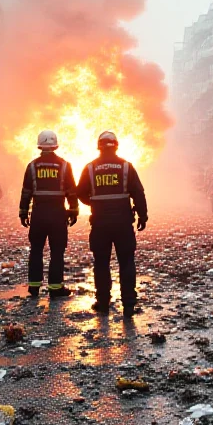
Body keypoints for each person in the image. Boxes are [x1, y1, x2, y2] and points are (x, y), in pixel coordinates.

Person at [77, 131, 148, 317]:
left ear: (99, 146)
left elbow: (81, 193)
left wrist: (96, 202)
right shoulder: (126, 167)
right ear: (116, 145)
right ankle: (129, 305)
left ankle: (102, 302)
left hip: (100, 223)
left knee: (101, 263)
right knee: (126, 262)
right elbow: (138, 193)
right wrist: (143, 216)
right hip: (123, 223)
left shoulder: (90, 168)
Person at [18, 130, 78, 299]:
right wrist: (73, 211)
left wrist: (23, 212)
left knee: (36, 250)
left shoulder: (32, 166)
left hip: (38, 213)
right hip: (58, 213)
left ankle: (34, 287)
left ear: (40, 146)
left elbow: (26, 192)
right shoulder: (64, 166)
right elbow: (71, 191)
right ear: (55, 145)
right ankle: (55, 288)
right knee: (57, 251)